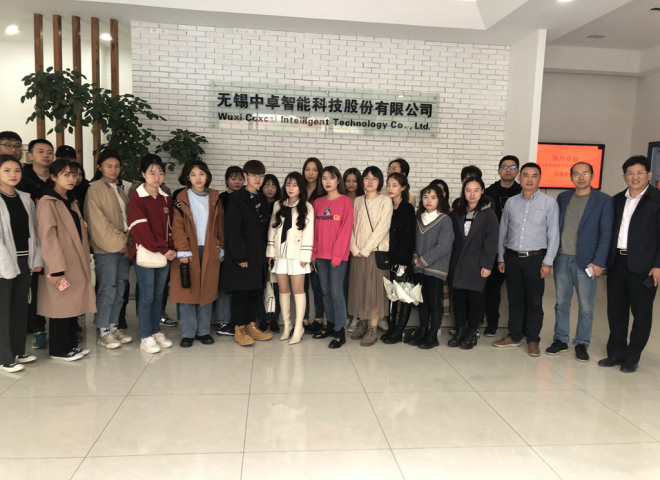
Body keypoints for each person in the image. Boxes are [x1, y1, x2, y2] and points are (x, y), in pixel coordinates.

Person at [599, 155, 660, 373]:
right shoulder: (616, 200)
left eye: (640, 173)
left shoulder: (657, 200)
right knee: (616, 311)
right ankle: (615, 353)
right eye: (630, 173)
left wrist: (658, 265)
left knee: (641, 314)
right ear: (624, 176)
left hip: (645, 266)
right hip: (617, 263)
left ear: (649, 175)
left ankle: (632, 357)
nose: (635, 177)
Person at [547, 163, 613, 362]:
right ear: (571, 177)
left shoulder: (603, 200)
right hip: (562, 258)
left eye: (585, 173)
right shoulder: (563, 197)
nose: (581, 177)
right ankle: (560, 339)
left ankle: (582, 343)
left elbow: (606, 234)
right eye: (577, 174)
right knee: (561, 303)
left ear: (592, 175)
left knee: (586, 306)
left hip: (587, 263)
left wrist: (599, 262)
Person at [493, 163, 560, 357]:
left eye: (534, 176)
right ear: (520, 178)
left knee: (534, 302)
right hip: (512, 258)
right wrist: (501, 257)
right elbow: (503, 232)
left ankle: (533, 340)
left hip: (536, 259)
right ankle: (514, 336)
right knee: (514, 300)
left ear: (540, 179)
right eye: (526, 175)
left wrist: (548, 262)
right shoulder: (511, 202)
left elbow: (554, 234)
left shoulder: (549, 203)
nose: (530, 179)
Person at [36, 159, 95, 361]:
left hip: (75, 261)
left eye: (74, 175)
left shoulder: (70, 200)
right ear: (53, 177)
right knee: (60, 306)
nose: (72, 179)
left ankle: (70, 345)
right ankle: (58, 350)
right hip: (60, 264)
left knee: (72, 305)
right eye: (66, 175)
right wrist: (56, 269)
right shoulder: (48, 202)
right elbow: (48, 238)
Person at [170, 161, 224, 348]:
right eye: (193, 174)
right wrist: (182, 250)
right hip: (188, 250)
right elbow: (177, 227)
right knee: (187, 292)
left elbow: (220, 225)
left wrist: (221, 246)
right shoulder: (181, 197)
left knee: (207, 290)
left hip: (210, 249)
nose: (198, 178)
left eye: (201, 174)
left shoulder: (215, 197)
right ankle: (188, 333)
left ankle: (203, 331)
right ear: (187, 177)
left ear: (207, 176)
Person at [220, 160, 273, 346]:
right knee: (241, 294)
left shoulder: (261, 198)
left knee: (254, 292)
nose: (258, 179)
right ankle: (239, 328)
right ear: (246, 176)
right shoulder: (237, 198)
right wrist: (239, 256)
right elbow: (232, 230)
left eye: (261, 176)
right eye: (253, 175)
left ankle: (251, 326)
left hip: (258, 255)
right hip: (242, 256)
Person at [127, 154, 176, 354]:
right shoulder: (137, 197)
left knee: (158, 295)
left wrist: (172, 248)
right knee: (146, 296)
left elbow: (171, 227)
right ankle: (146, 335)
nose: (157, 177)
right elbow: (139, 230)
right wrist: (164, 248)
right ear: (143, 174)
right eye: (152, 173)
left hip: (165, 254)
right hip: (145, 253)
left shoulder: (166, 198)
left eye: (160, 173)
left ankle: (156, 331)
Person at [85, 150, 133, 349]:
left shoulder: (119, 189)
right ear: (100, 167)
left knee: (120, 289)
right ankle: (104, 331)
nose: (114, 170)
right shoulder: (95, 190)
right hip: (107, 249)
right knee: (107, 289)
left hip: (123, 248)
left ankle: (114, 327)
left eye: (117, 166)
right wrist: (121, 242)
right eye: (109, 166)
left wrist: (127, 242)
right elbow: (98, 224)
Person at [0, 155, 43, 372]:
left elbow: (34, 231)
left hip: (24, 258)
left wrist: (36, 257)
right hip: (3, 261)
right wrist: (5, 264)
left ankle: (17, 350)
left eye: (17, 170)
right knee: (3, 310)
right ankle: (4, 357)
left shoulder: (25, 198)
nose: (13, 175)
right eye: (7, 170)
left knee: (19, 307)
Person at [448, 178, 499, 349]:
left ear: (482, 191)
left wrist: (487, 264)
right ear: (463, 192)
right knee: (459, 300)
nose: (472, 194)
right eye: (468, 190)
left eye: (476, 190)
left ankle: (471, 333)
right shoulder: (457, 213)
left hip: (477, 264)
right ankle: (460, 331)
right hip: (457, 263)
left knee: (475, 300)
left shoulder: (488, 214)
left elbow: (492, 241)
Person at [267, 171, 314, 345]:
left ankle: (299, 326)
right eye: (288, 184)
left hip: (297, 255)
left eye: (294, 185)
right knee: (283, 290)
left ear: (300, 187)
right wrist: (270, 251)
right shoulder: (278, 204)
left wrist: (305, 256)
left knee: (298, 290)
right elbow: (272, 229)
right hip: (280, 255)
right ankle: (287, 326)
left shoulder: (307, 207)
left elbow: (309, 232)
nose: (291, 188)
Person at [348, 166, 393, 346]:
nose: (370, 181)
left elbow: (383, 227)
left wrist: (366, 249)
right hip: (357, 253)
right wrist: (354, 248)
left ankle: (373, 328)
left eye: (374, 178)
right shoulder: (357, 201)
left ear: (379, 181)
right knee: (359, 289)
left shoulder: (385, 201)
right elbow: (350, 226)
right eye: (367, 178)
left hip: (375, 253)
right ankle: (362, 323)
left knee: (374, 291)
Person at [17, 139, 54, 349]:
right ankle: (38, 329)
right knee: (35, 288)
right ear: (30, 155)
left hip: (55, 241)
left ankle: (62, 325)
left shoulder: (57, 177)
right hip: (32, 241)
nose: (46, 155)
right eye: (40, 151)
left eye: (49, 152)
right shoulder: (22, 180)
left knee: (58, 284)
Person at [312, 166, 354, 348]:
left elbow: (346, 231)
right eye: (324, 178)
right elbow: (312, 230)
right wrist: (313, 252)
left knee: (337, 293)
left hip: (338, 257)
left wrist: (337, 256)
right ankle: (330, 325)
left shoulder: (345, 202)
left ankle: (340, 330)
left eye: (331, 177)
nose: (327, 181)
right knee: (325, 292)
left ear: (338, 180)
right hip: (320, 256)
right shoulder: (317, 203)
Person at [409, 184, 454, 349]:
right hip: (418, 268)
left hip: (436, 269)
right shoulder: (418, 219)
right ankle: (422, 331)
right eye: (425, 197)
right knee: (422, 302)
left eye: (433, 197)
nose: (429, 200)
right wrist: (415, 258)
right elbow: (413, 242)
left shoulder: (445, 220)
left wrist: (422, 261)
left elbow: (444, 246)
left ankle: (433, 335)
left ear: (439, 200)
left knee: (434, 302)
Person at [483, 155, 522, 336]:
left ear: (517, 171)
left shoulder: (523, 192)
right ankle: (492, 323)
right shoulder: (489, 192)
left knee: (519, 290)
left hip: (516, 246)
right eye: (504, 167)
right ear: (498, 170)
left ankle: (520, 327)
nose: (508, 170)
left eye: (512, 167)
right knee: (493, 289)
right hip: (493, 245)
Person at [381, 172, 416, 345]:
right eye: (388, 185)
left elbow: (409, 237)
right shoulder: (386, 205)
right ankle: (392, 328)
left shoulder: (407, 209)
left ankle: (399, 330)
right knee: (391, 294)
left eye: (394, 185)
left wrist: (402, 261)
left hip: (402, 259)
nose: (390, 188)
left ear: (403, 187)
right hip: (388, 258)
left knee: (403, 294)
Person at [215, 166, 243, 337]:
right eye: (233, 178)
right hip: (224, 246)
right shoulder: (221, 199)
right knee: (224, 286)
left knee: (238, 286)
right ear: (226, 180)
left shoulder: (245, 197)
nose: (237, 182)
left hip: (239, 248)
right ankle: (223, 321)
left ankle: (235, 320)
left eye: (240, 179)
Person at [302, 157, 325, 333]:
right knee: (301, 285)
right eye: (308, 169)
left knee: (317, 285)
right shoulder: (298, 190)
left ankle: (318, 318)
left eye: (315, 169)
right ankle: (303, 319)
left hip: (318, 245)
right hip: (300, 244)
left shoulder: (323, 194)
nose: (310, 173)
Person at [258, 173, 282, 332]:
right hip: (259, 250)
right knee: (260, 285)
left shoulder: (281, 205)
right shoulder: (257, 204)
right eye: (266, 185)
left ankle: (274, 318)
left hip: (276, 251)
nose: (269, 189)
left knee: (277, 286)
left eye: (273, 186)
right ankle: (262, 317)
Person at [343, 167, 364, 332]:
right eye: (348, 181)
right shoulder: (340, 198)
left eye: (354, 181)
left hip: (359, 246)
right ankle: (345, 314)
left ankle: (357, 316)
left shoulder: (364, 199)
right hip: (342, 246)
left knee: (356, 283)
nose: (351, 184)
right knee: (344, 283)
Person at [56, 145, 89, 215]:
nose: (68, 161)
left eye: (71, 158)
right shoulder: (53, 190)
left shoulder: (87, 187)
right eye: (64, 158)